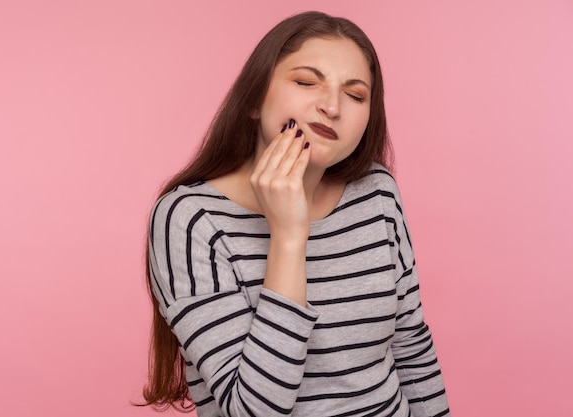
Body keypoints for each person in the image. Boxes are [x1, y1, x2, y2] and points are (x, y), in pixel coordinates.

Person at [141, 11, 450, 417]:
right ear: (253, 99)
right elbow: (254, 411)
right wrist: (288, 235)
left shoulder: (376, 191)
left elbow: (411, 347)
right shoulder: (190, 219)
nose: (332, 106)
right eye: (306, 82)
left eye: (356, 95)